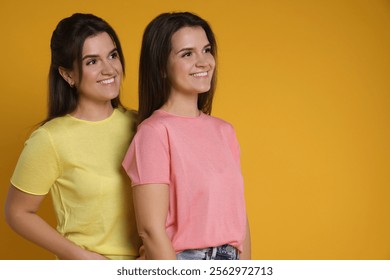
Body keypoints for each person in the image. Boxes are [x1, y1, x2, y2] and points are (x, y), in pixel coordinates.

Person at [5, 13, 141, 260]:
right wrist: (83, 258)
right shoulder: (50, 139)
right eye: (92, 62)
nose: (109, 69)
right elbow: (17, 213)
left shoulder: (142, 125)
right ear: (68, 75)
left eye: (112, 55)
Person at [122, 12, 251, 260]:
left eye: (206, 50)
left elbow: (239, 217)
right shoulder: (155, 132)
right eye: (187, 54)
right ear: (161, 66)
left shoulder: (225, 131)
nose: (204, 62)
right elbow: (151, 230)